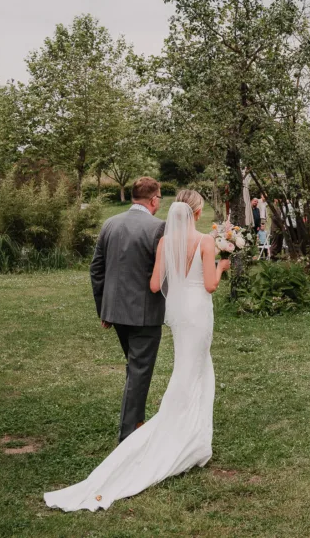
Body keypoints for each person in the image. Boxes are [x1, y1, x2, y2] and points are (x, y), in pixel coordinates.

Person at [46, 189, 231, 511]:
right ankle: (161, 433)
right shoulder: (202, 241)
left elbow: (153, 284)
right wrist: (222, 265)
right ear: (197, 214)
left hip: (156, 314)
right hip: (192, 313)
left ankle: (193, 437)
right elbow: (211, 284)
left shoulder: (151, 238)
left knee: (183, 368)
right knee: (185, 370)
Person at [85, 177, 165, 446]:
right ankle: (128, 436)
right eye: (160, 198)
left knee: (135, 369)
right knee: (140, 370)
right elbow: (162, 275)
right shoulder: (158, 228)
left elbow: (96, 269)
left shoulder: (110, 223)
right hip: (144, 314)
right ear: (153, 200)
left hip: (116, 313)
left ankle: (137, 422)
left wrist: (104, 309)